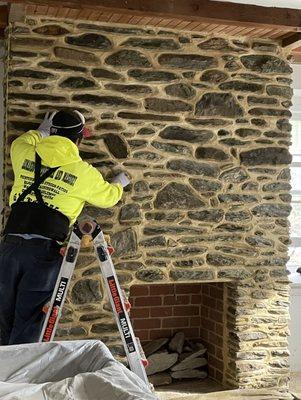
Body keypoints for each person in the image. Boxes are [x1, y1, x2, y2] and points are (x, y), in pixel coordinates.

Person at [0, 109, 129, 345]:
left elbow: (23, 140)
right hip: (44, 251)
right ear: (78, 140)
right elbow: (109, 197)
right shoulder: (83, 173)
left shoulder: (23, 152)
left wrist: (40, 132)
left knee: (1, 314)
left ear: (52, 131)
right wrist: (120, 183)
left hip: (10, 245)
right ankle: (17, 378)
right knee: (29, 320)